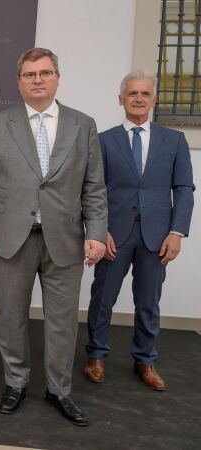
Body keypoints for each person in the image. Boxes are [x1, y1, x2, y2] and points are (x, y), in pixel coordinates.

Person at [0, 48, 107, 426]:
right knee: (11, 316)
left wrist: (96, 232)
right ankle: (15, 382)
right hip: (12, 237)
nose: (38, 80)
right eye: (30, 74)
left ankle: (59, 390)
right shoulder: (0, 124)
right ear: (19, 82)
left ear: (57, 78)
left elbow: (94, 186)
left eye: (45, 73)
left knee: (63, 321)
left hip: (66, 238)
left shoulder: (83, 124)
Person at [84, 70, 194, 390]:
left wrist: (177, 232)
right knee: (102, 299)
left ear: (154, 99)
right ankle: (96, 356)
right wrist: (99, 231)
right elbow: (93, 189)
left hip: (157, 236)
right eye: (132, 93)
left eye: (145, 93)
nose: (139, 98)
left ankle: (145, 360)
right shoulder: (103, 140)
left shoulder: (174, 140)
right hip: (113, 235)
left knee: (148, 302)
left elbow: (184, 188)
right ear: (121, 99)